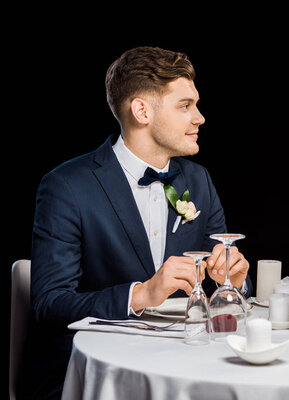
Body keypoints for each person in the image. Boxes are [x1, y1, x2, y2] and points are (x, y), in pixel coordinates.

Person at [19, 46, 253, 399]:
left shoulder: (198, 180)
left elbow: (219, 277)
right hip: (95, 376)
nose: (200, 117)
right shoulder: (66, 186)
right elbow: (50, 305)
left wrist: (234, 281)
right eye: (185, 105)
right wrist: (141, 294)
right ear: (141, 111)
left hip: (185, 363)